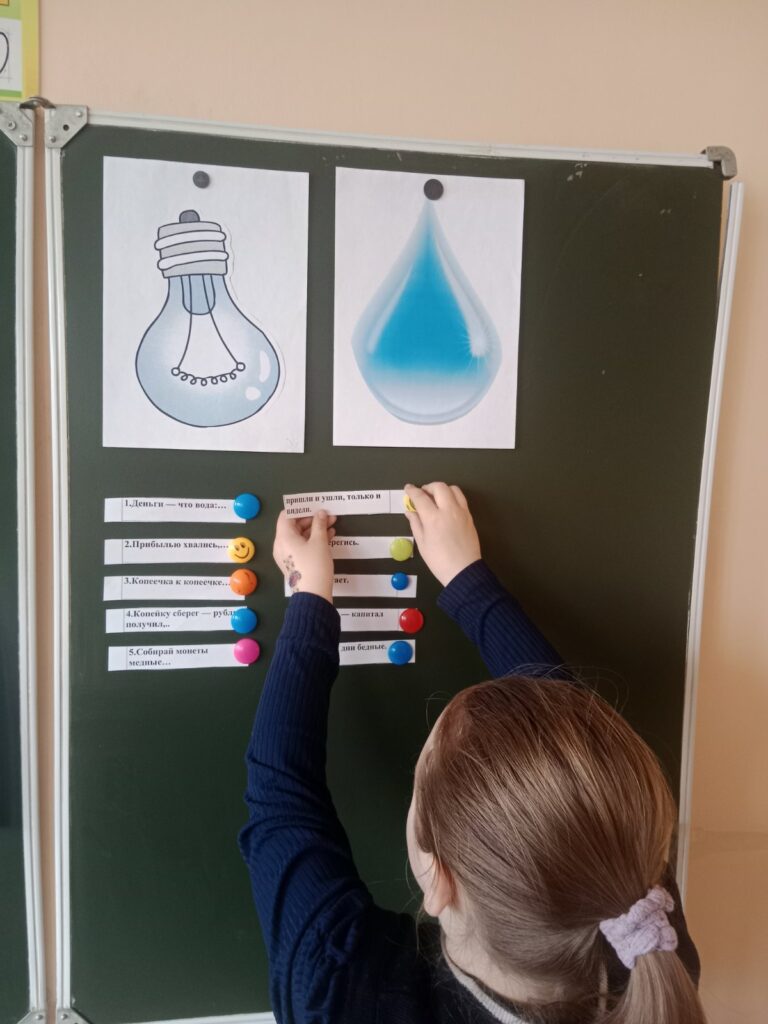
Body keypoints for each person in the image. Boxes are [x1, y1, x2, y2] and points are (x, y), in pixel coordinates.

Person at [238, 483, 704, 1024]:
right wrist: (466, 580)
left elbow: (281, 801)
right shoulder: (649, 944)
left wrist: (308, 595)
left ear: (440, 880)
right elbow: (576, 754)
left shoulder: (340, 994)